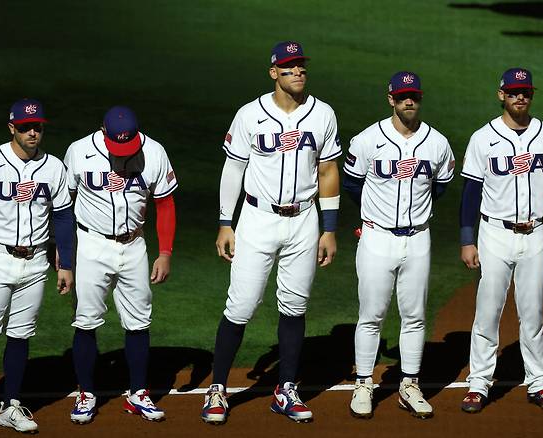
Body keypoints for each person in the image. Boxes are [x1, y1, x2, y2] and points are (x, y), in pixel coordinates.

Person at [201, 41, 341, 425]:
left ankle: (286, 390)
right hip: (257, 219)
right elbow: (233, 170)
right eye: (290, 66)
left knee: (295, 306)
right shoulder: (250, 114)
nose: (298, 72)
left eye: (302, 67)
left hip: (303, 221)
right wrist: (225, 222)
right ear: (274, 72)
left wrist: (328, 229)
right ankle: (217, 389)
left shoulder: (323, 114)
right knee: (242, 305)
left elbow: (328, 172)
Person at [0, 99, 75, 434]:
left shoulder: (54, 167)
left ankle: (11, 405)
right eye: (25, 127)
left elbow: (63, 216)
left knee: (21, 336)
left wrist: (66, 263)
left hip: (35, 263)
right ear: (12, 128)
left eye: (37, 127)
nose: (33, 132)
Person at [343, 72, 455, 419]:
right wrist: (373, 216)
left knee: (415, 316)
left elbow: (441, 185)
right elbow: (351, 184)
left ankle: (409, 384)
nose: (410, 102)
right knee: (371, 315)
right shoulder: (367, 140)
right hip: (377, 238)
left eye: (415, 96)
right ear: (390, 99)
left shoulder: (437, 143)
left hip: (419, 238)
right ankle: (363, 383)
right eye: (403, 96)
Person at [459, 68, 543, 414]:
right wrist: (467, 239)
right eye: (514, 92)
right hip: (493, 234)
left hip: (535, 234)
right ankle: (478, 383)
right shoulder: (482, 138)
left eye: (526, 92)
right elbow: (471, 192)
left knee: (533, 313)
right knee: (488, 311)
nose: (520, 97)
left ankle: (539, 382)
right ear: (501, 95)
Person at [64, 106, 177, 424]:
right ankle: (86, 392)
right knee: (86, 320)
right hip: (91, 244)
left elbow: (165, 203)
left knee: (139, 320)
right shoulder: (79, 151)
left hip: (134, 245)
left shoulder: (153, 152)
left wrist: (165, 252)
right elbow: (63, 202)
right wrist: (63, 249)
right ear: (103, 131)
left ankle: (138, 393)